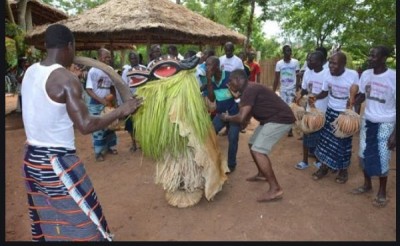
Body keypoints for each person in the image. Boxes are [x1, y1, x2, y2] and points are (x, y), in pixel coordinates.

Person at [20, 23, 143, 241]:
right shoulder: (67, 80)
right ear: (70, 45)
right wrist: (121, 110)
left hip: (31, 160)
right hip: (57, 163)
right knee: (87, 223)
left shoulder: (30, 71)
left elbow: (48, 108)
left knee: (51, 218)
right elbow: (86, 125)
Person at [221, 69, 295, 202]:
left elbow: (241, 116)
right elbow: (247, 114)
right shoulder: (248, 90)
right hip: (270, 119)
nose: (229, 83)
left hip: (280, 119)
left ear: (238, 80)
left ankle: (275, 188)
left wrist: (227, 117)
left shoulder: (250, 89)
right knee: (252, 143)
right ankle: (262, 173)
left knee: (258, 150)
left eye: (230, 80)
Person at [351, 46, 396, 208]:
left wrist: (395, 134)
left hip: (386, 123)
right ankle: (367, 184)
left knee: (383, 159)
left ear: (384, 58)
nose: (370, 58)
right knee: (363, 155)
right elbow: (362, 95)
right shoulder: (366, 75)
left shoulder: (393, 77)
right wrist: (354, 107)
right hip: (368, 121)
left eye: (374, 56)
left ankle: (382, 191)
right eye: (369, 54)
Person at [310, 51, 359, 183]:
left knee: (343, 144)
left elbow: (358, 95)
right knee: (325, 142)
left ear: (343, 64)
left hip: (344, 114)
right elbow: (325, 92)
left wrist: (353, 113)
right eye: (330, 62)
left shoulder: (352, 75)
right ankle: (324, 167)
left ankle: (343, 171)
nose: (331, 66)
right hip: (331, 110)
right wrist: (315, 97)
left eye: (334, 63)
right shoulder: (327, 74)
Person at [202, 56, 240, 173]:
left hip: (234, 114)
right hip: (220, 114)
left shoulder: (229, 76)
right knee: (210, 134)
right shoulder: (209, 80)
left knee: (233, 138)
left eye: (209, 65)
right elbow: (212, 99)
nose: (207, 68)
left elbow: (238, 93)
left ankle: (231, 164)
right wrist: (209, 80)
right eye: (206, 65)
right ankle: (213, 161)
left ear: (217, 66)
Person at [294, 51, 328, 170]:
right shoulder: (307, 73)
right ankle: (304, 161)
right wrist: (299, 96)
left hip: (322, 111)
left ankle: (319, 161)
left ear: (320, 62)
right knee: (306, 134)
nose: (308, 62)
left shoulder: (327, 73)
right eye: (308, 59)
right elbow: (304, 89)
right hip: (309, 110)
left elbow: (326, 92)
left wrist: (314, 98)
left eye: (311, 60)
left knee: (320, 137)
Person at [85, 48, 119, 161]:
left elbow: (112, 87)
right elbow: (89, 90)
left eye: (109, 56)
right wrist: (101, 100)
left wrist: (115, 101)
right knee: (98, 128)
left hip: (108, 103)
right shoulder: (93, 71)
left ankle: (111, 147)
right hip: (95, 104)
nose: (108, 59)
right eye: (106, 56)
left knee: (110, 126)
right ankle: (98, 152)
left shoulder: (110, 70)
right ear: (99, 57)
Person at [120, 51, 147, 152]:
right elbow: (123, 86)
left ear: (138, 59)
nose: (134, 60)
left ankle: (143, 143)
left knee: (142, 124)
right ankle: (133, 143)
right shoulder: (126, 72)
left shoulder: (144, 69)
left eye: (136, 58)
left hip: (142, 100)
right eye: (132, 58)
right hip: (130, 101)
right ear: (129, 60)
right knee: (131, 125)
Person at [273, 44, 300, 137]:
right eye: (287, 51)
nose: (289, 53)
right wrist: (273, 91)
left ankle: (290, 129)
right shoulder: (279, 64)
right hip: (283, 89)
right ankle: (286, 127)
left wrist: (297, 89)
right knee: (284, 108)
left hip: (292, 89)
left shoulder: (295, 62)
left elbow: (298, 76)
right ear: (283, 52)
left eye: (290, 51)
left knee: (291, 108)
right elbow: (276, 78)